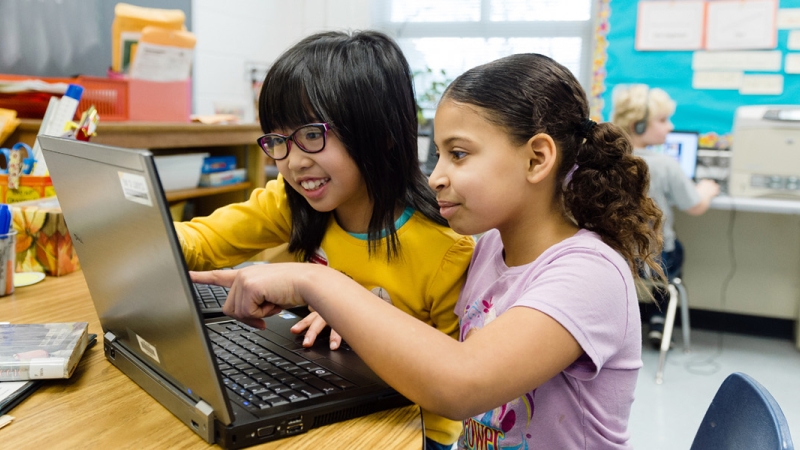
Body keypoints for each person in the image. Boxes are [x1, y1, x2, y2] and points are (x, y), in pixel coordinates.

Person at [193, 53, 666, 449]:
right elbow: (430, 346)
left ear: (536, 158)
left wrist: (315, 281)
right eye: (437, 154)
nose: (436, 176)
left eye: (458, 154)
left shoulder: (590, 272)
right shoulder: (491, 251)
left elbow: (462, 385)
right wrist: (352, 308)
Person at [174, 30, 474, 450]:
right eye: (278, 140)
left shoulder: (446, 249)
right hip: (318, 391)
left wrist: (355, 319)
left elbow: (451, 396)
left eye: (312, 135)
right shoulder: (293, 201)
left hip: (409, 430)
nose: (294, 162)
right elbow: (198, 242)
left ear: (381, 132)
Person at [611, 84, 720, 349]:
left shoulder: (608, 160)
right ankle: (660, 321)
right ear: (638, 126)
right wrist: (706, 190)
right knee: (673, 252)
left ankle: (630, 320)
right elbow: (694, 206)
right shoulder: (665, 164)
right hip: (653, 260)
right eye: (663, 120)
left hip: (615, 255)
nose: (670, 127)